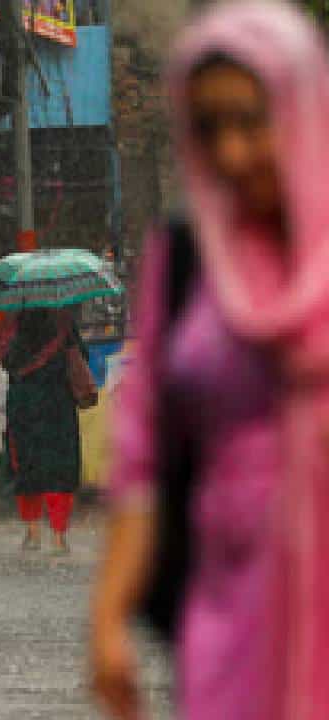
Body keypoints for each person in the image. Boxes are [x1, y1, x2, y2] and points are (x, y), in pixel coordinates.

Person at [91, 3, 329, 718]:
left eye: (251, 120)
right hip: (226, 620)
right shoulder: (188, 259)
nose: (231, 152)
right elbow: (142, 458)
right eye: (209, 127)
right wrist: (107, 622)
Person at [1, 308, 85, 555]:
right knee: (59, 469)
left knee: (28, 469)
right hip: (57, 408)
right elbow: (81, 358)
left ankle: (33, 533)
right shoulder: (65, 325)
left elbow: (7, 361)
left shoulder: (17, 325)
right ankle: (58, 538)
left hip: (24, 408)